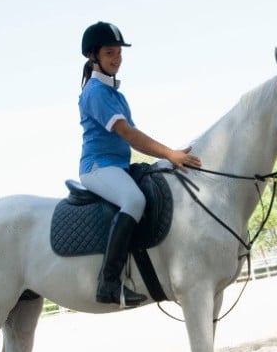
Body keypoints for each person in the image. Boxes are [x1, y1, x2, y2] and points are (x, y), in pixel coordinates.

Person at [78, 21, 201, 306]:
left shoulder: (115, 94)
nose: (117, 59)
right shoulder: (95, 92)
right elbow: (129, 134)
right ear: (92, 56)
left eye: (119, 53)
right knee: (133, 199)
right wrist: (170, 153)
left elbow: (132, 138)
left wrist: (165, 160)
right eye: (110, 53)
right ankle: (108, 282)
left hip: (118, 166)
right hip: (97, 168)